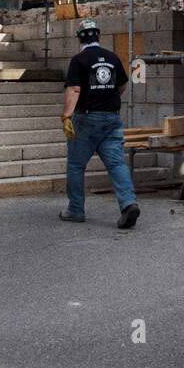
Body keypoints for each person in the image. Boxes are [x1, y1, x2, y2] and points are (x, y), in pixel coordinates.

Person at [61, 18, 140, 229]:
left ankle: (76, 210)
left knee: (76, 165)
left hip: (86, 119)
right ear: (98, 36)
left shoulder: (79, 60)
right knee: (116, 164)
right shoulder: (112, 58)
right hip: (112, 118)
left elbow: (74, 89)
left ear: (80, 39)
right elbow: (122, 84)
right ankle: (128, 204)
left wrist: (67, 115)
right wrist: (108, 95)